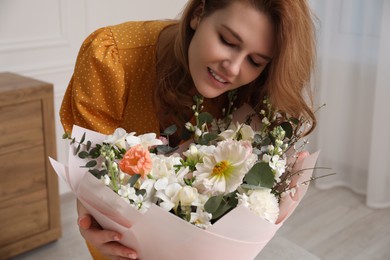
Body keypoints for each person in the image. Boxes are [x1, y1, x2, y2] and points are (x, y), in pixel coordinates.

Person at [60, 0, 317, 259]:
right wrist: (89, 213)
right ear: (198, 13)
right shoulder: (110, 57)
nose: (234, 68)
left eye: (255, 60)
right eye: (227, 41)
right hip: (121, 241)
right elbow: (93, 168)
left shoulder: (252, 91)